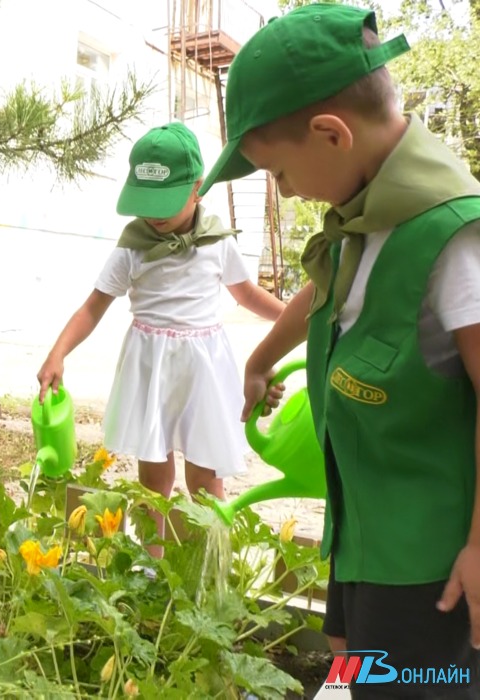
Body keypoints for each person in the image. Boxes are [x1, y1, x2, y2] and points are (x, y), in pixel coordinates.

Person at [200, 3, 480, 695]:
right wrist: (262, 358)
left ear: (330, 134)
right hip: (362, 530)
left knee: (412, 683)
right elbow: (327, 287)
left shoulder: (453, 239)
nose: (283, 190)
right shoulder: (367, 213)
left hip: (432, 563)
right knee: (349, 654)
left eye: (278, 173)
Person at [37, 122, 285, 556]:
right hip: (149, 367)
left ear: (197, 189)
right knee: (154, 480)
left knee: (205, 480)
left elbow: (247, 295)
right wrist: (58, 352)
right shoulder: (132, 246)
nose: (154, 214)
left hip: (203, 368)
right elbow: (93, 306)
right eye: (147, 202)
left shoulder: (216, 243)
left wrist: (295, 319)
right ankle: (153, 572)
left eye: (166, 202)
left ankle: (208, 567)